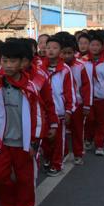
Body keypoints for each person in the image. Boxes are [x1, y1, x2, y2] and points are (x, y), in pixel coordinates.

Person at [0, 40, 46, 206]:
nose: (7, 65)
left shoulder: (30, 86)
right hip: (1, 142)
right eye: (4, 60)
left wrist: (34, 142)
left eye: (13, 61)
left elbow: (39, 115)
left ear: (23, 63)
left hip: (24, 143)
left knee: (25, 179)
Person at [40, 35, 76, 176]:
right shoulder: (40, 68)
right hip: (44, 112)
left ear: (61, 52)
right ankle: (48, 159)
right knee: (45, 139)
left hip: (59, 111)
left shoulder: (65, 70)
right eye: (48, 47)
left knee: (58, 140)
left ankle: (57, 164)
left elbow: (69, 92)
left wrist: (69, 110)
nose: (50, 50)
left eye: (54, 48)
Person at [60, 34, 93, 165]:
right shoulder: (58, 68)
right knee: (62, 132)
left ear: (75, 52)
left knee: (78, 130)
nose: (67, 56)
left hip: (78, 105)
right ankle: (64, 153)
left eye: (70, 53)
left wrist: (86, 105)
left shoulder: (80, 66)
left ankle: (78, 153)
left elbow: (87, 86)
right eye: (64, 53)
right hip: (62, 105)